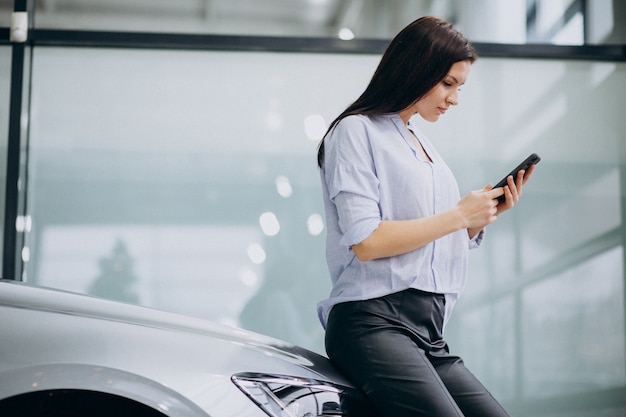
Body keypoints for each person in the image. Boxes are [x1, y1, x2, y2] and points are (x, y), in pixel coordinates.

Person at [316, 16, 535, 417]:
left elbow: (426, 237)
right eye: (447, 84)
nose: (454, 98)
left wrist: (473, 222)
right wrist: (456, 216)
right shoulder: (355, 131)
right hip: (373, 321)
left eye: (459, 87)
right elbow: (368, 242)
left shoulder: (423, 145)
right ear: (415, 69)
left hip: (428, 331)